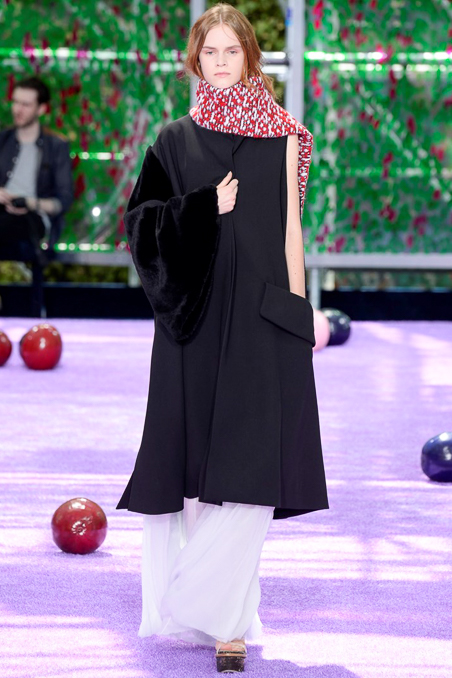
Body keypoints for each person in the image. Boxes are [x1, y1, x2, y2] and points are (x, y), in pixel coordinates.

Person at [116, 3, 329, 673]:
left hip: (265, 317)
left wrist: (301, 310)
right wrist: (205, 206)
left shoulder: (286, 136)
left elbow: (291, 230)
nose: (219, 62)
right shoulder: (174, 140)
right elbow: (140, 227)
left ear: (250, 56)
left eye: (230, 50)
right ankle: (217, 615)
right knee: (196, 463)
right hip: (195, 319)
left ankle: (221, 618)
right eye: (208, 51)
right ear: (195, 59)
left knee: (254, 463)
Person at [0, 76, 73, 266]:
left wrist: (30, 202)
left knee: (13, 224)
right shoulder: (3, 140)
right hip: (2, 212)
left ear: (41, 109)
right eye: (15, 102)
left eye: (25, 104)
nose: (17, 109)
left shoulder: (55, 146)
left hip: (33, 218)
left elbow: (64, 200)